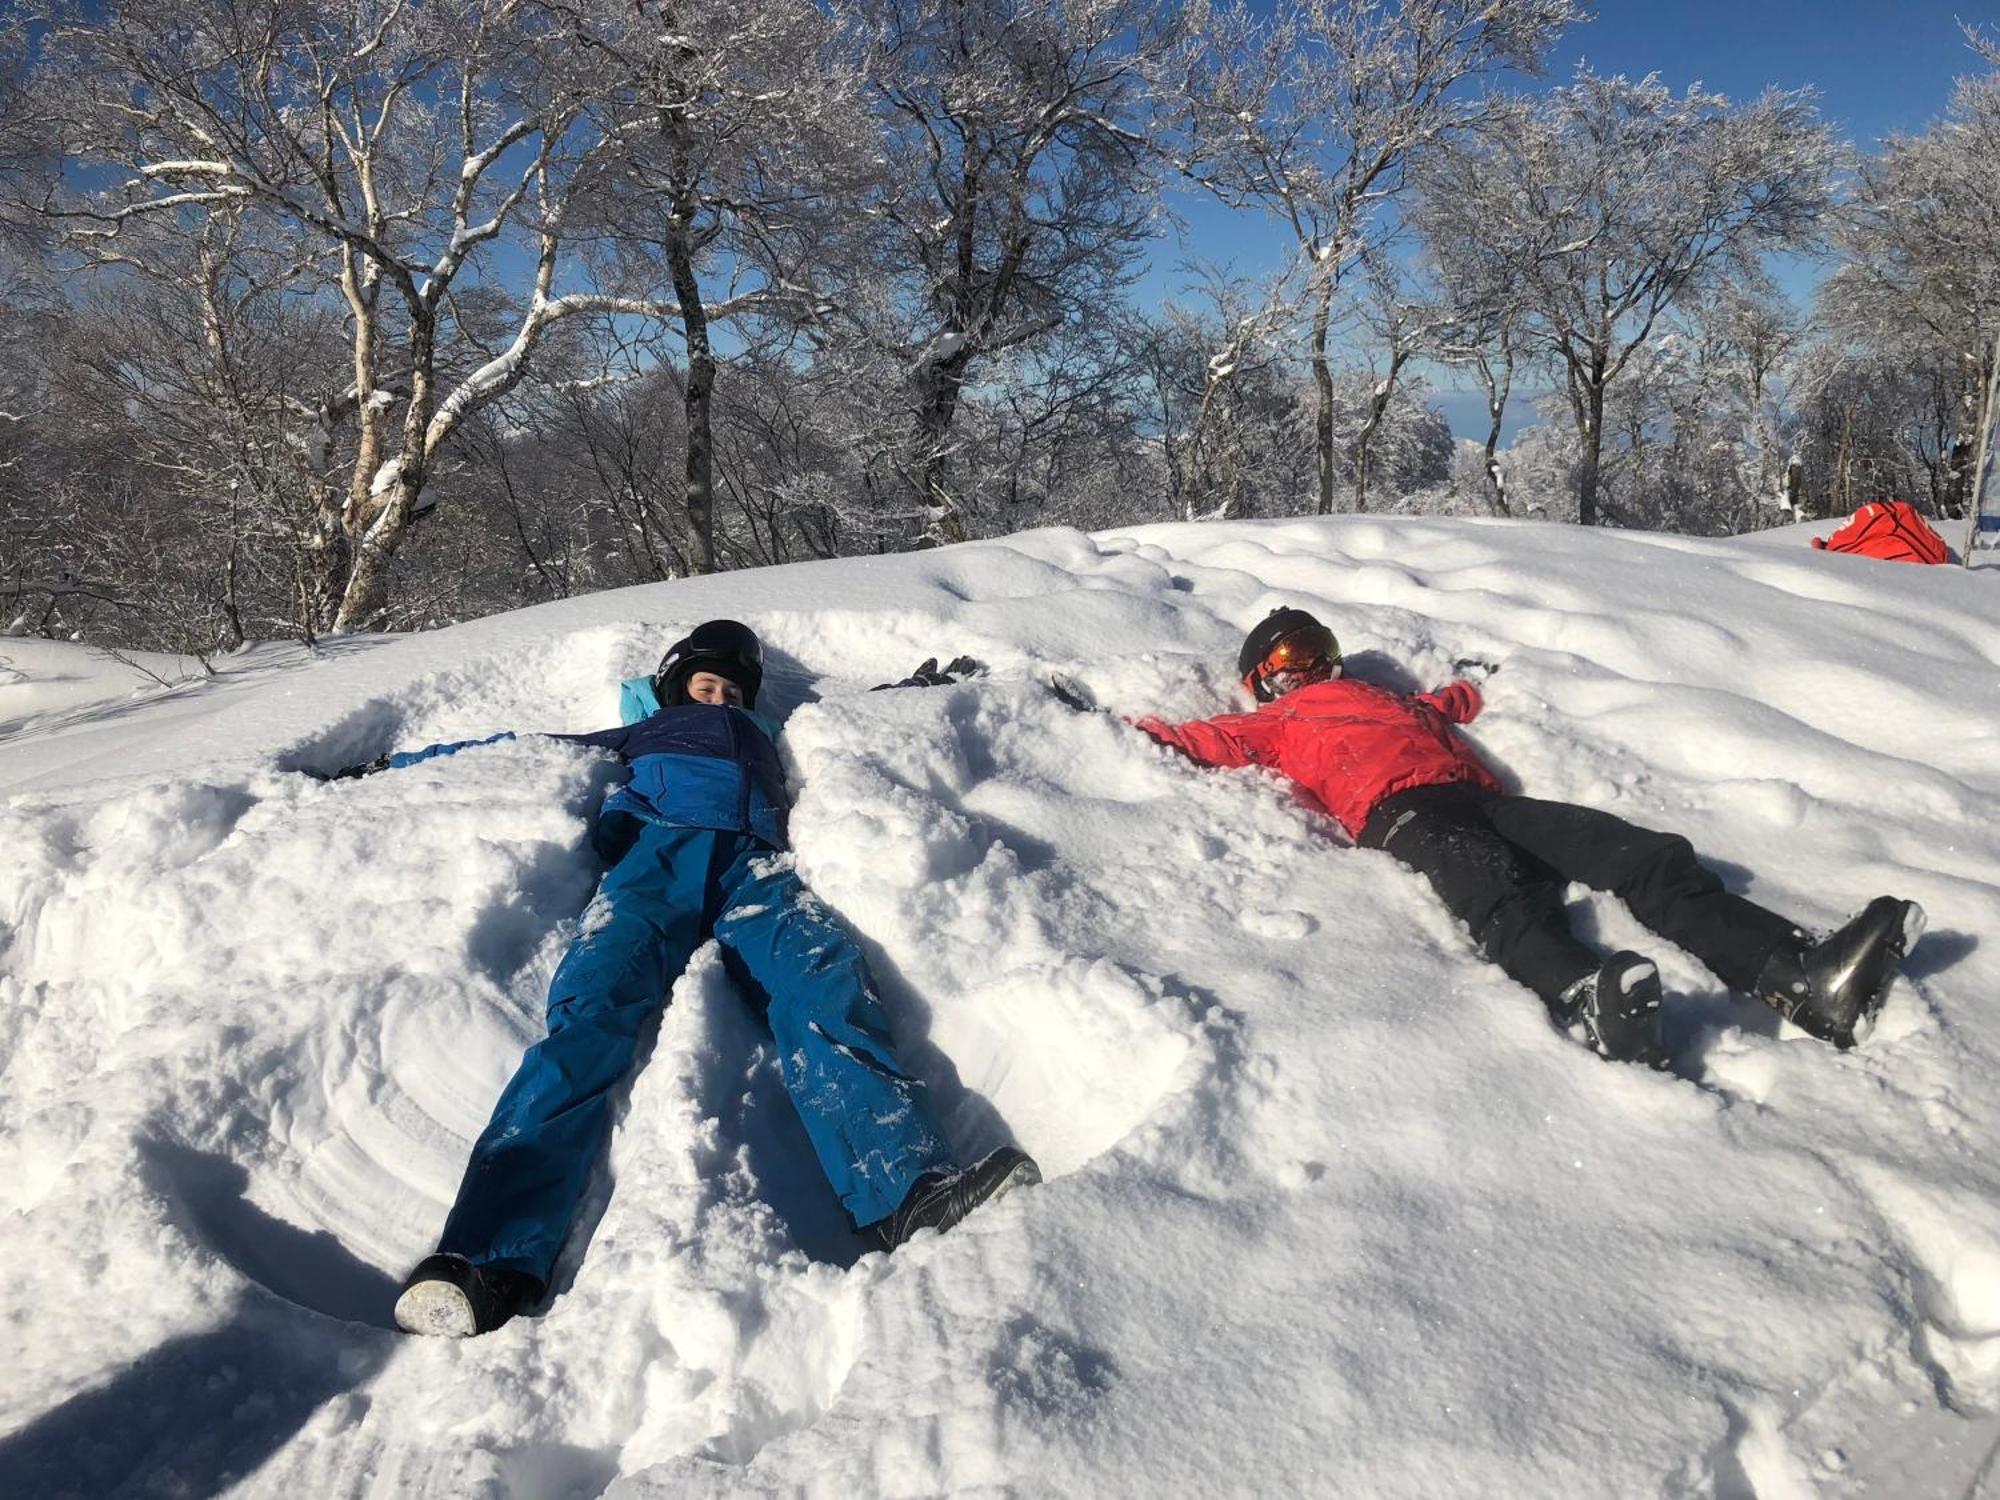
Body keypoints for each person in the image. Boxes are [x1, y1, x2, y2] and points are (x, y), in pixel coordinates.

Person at [337, 621, 1038, 1337]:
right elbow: (514, 748)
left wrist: (921, 688)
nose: (722, 696)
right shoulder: (640, 733)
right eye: (708, 684)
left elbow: (854, 713)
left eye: (733, 688)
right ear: (675, 687)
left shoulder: (769, 734)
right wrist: (391, 764)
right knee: (587, 1020)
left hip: (757, 869)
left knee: (825, 984)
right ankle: (486, 1257)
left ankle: (909, 1190)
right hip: (653, 864)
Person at [1128, 607, 1926, 1068]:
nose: (1304, 668)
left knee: (1642, 854)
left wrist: (1477, 680)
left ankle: (1801, 976)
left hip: (1483, 800)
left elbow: (1446, 704)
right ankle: (1590, 999)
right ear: (1264, 680)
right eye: (1285, 660)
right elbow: (1205, 741)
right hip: (1404, 819)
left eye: (1312, 651)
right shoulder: (1272, 721)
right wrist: (1100, 719)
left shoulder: (1385, 699)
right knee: (1503, 901)